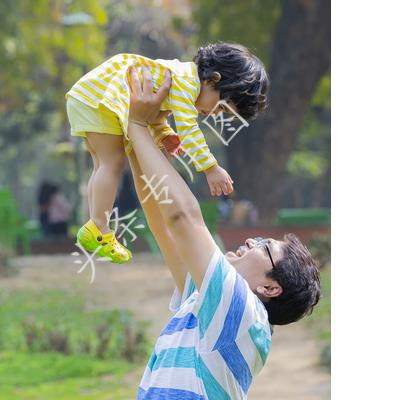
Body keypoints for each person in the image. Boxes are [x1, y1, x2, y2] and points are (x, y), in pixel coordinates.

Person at [125, 64, 320, 400]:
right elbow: (163, 221)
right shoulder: (207, 303)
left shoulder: (243, 313)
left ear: (269, 288)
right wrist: (135, 138)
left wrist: (139, 126)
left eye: (263, 246)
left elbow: (183, 218)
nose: (250, 240)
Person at [66, 43, 269, 264]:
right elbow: (189, 130)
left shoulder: (178, 76)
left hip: (90, 94)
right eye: (221, 107)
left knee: (102, 165)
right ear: (213, 79)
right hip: (99, 96)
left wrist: (164, 134)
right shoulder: (188, 84)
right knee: (111, 163)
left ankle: (95, 227)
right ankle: (99, 229)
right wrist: (211, 168)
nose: (214, 114)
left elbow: (154, 112)